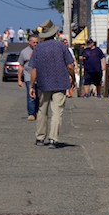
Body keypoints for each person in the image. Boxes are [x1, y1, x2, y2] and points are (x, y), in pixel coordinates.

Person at [29, 20, 75, 149]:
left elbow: (34, 69)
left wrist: (31, 86)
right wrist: (73, 78)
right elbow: (70, 66)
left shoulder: (38, 48)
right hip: (60, 83)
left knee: (42, 110)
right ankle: (53, 139)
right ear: (54, 33)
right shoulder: (61, 46)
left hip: (43, 83)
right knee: (57, 112)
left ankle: (40, 137)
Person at [18, 34, 38, 120]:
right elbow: (20, 66)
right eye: (33, 42)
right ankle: (31, 114)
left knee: (39, 96)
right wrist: (19, 79)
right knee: (31, 95)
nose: (35, 44)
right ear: (29, 42)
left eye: (37, 42)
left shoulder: (41, 51)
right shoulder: (24, 52)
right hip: (28, 77)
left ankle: (37, 111)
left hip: (40, 77)